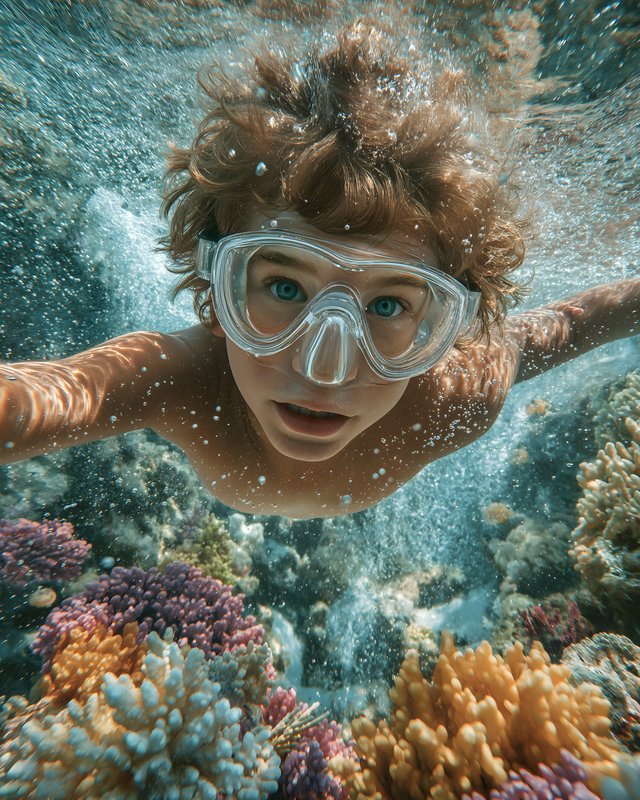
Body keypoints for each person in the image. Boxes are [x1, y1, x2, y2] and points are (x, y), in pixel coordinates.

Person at [1, 23, 638, 520]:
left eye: (388, 306)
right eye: (284, 288)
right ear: (217, 295)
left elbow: (584, 320)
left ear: (452, 327)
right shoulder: (185, 382)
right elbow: (36, 399)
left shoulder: (459, 394)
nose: (322, 369)